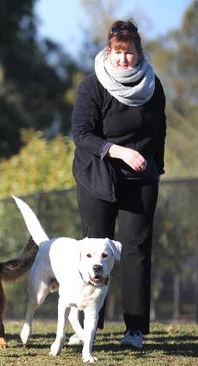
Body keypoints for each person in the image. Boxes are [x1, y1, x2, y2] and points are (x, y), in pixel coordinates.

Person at [71, 19, 166, 350]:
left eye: (129, 52)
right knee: (94, 251)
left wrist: (156, 165)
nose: (123, 58)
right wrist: (120, 152)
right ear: (109, 51)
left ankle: (135, 330)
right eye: (117, 52)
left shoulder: (153, 87)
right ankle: (90, 327)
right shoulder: (92, 86)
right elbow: (81, 134)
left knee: (136, 251)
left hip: (140, 179)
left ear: (139, 53)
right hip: (98, 175)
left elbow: (160, 130)